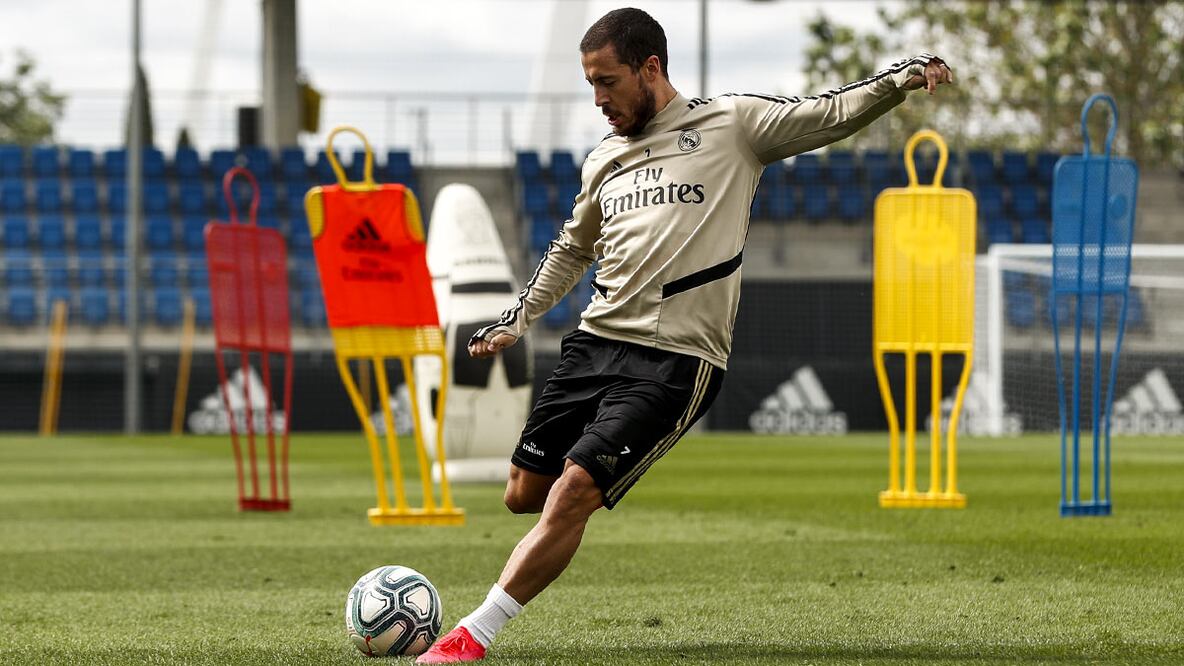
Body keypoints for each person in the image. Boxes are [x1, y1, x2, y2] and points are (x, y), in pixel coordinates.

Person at [416, 7, 953, 663]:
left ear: (651, 67)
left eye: (608, 81)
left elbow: (827, 113)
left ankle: (473, 635)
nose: (598, 99)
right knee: (521, 494)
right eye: (590, 83)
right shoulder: (603, 160)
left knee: (573, 491)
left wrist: (899, 79)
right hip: (592, 346)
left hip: (674, 361)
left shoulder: (731, 126)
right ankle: (572, 496)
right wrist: (519, 316)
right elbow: (570, 249)